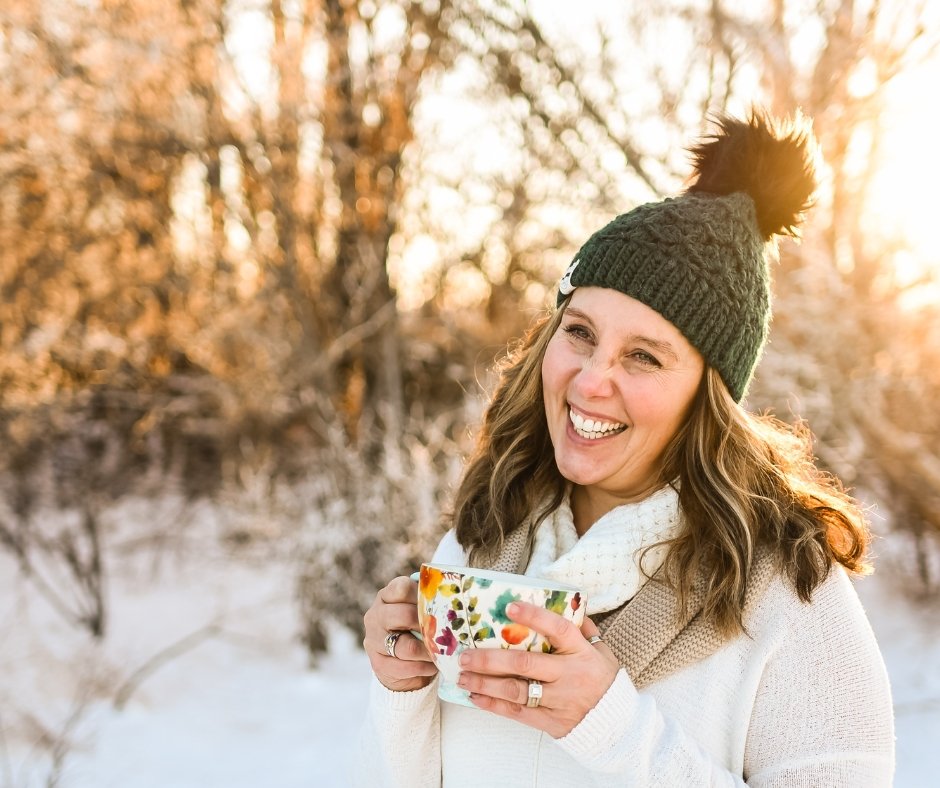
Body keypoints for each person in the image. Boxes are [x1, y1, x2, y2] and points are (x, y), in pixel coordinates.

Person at [354, 109, 895, 787]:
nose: (591, 379)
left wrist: (610, 726)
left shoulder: (786, 590)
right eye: (579, 332)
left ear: (707, 396)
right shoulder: (483, 545)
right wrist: (400, 690)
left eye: (642, 356)